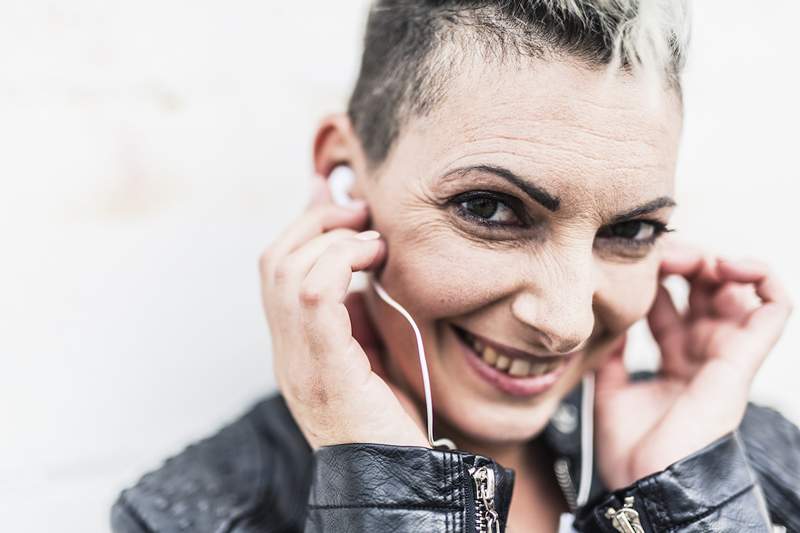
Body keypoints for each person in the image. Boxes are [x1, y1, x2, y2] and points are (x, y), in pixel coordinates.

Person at [111, 1, 800, 531]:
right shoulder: (192, 516)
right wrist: (382, 493)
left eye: (631, 229)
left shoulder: (749, 458)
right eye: (491, 209)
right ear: (346, 179)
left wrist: (686, 500)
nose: (564, 323)